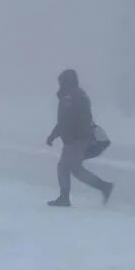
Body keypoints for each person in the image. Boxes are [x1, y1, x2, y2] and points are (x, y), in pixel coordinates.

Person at [46, 68, 113, 207]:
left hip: (75, 139)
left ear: (66, 82)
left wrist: (53, 136)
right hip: (79, 138)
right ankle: (103, 187)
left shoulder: (71, 97)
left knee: (65, 167)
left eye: (62, 81)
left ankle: (65, 198)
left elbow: (65, 120)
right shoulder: (78, 95)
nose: (60, 84)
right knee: (73, 168)